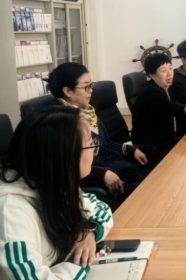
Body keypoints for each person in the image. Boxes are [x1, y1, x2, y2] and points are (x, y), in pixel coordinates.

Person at [0, 106, 113, 280]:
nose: (94, 151)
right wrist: (79, 261)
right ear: (64, 155)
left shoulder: (54, 183)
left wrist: (90, 232)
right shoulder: (10, 214)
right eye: (90, 144)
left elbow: (100, 208)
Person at [46, 63, 145, 200]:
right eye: (86, 87)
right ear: (67, 91)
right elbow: (64, 165)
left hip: (119, 168)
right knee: (150, 195)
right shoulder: (60, 122)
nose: (91, 90)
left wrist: (129, 149)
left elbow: (104, 144)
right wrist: (100, 173)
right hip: (101, 180)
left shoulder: (86, 110)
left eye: (91, 85)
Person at [132, 53, 186, 164]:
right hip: (152, 148)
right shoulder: (149, 92)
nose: (169, 74)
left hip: (169, 140)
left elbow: (176, 107)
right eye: (163, 71)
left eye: (170, 68)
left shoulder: (166, 88)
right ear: (151, 74)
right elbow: (167, 107)